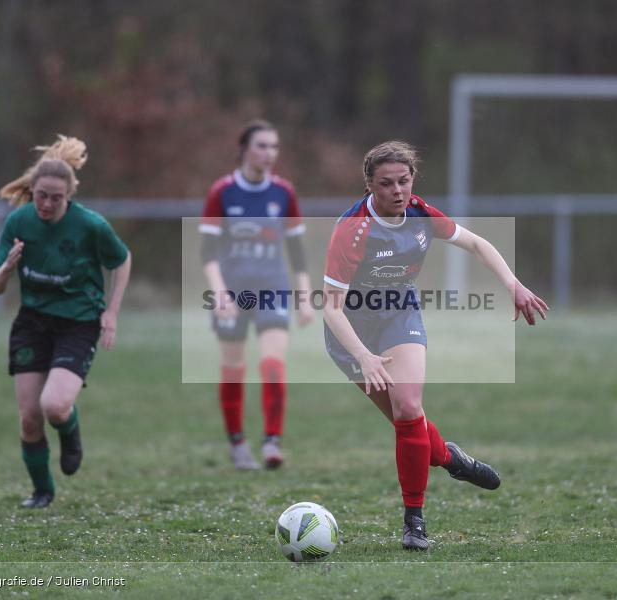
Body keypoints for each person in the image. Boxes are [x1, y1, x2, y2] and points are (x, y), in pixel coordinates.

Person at [321, 141, 548, 550]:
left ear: (413, 180)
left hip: (398, 315)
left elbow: (478, 244)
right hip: (351, 334)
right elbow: (331, 309)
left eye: (403, 181)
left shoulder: (422, 214)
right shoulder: (352, 230)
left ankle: (414, 521)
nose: (397, 191)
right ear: (369, 185)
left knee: (408, 409)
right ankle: (451, 459)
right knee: (408, 426)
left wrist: (512, 284)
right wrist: (363, 356)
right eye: (386, 183)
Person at [0, 136, 132, 508]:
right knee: (29, 418)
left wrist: (111, 312)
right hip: (32, 323)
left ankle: (69, 429)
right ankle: (42, 491)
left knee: (54, 406)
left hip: (78, 323)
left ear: (70, 195)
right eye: (40, 195)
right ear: (31, 190)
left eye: (56, 197)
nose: (47, 204)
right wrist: (6, 268)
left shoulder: (90, 225)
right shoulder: (19, 221)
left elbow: (121, 260)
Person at [200, 120, 314, 470]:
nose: (269, 153)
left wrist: (305, 294)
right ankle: (237, 443)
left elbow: (297, 250)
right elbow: (208, 253)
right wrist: (219, 293)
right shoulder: (222, 191)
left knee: (272, 365)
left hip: (273, 289)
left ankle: (272, 442)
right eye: (262, 146)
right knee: (233, 369)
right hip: (232, 292)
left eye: (274, 146)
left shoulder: (283, 193)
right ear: (245, 149)